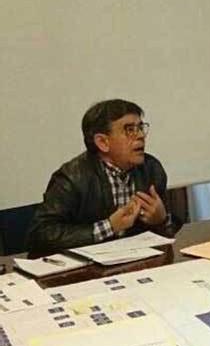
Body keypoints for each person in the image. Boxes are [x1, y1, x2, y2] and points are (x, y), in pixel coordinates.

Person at [27, 99, 172, 252]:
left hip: (139, 263)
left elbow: (169, 233)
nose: (141, 135)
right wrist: (110, 227)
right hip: (87, 269)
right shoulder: (72, 177)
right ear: (103, 142)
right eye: (130, 130)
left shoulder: (151, 169)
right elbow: (41, 235)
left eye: (141, 128)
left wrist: (161, 220)